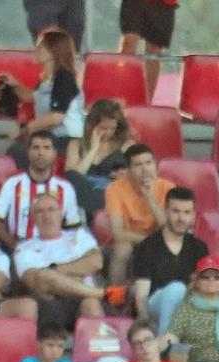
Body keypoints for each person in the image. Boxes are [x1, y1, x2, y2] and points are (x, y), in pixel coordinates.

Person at [14, 191, 109, 324]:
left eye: (51, 209)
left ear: (61, 213)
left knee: (91, 304)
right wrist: (76, 273)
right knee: (44, 276)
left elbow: (95, 262)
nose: (46, 216)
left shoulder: (80, 236)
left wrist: (54, 271)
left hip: (85, 299)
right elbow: (34, 281)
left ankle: (100, 344)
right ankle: (103, 294)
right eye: (40, 211)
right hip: (50, 304)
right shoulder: (24, 248)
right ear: (32, 218)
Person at [131, 187, 207, 337]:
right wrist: (144, 318)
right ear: (166, 212)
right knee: (176, 289)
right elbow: (142, 294)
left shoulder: (199, 247)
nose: (181, 218)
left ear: (193, 215)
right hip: (155, 305)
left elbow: (203, 287)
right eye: (176, 211)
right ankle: (165, 346)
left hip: (188, 306)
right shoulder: (148, 246)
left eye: (186, 213)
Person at [0, 28, 82, 159]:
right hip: (49, 139)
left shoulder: (64, 78)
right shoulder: (47, 79)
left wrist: (24, 130)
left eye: (40, 47)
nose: (36, 50)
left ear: (53, 52)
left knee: (17, 152)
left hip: (66, 141)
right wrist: (15, 84)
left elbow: (56, 116)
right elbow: (32, 97)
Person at [0, 129, 80, 250]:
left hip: (54, 250)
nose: (41, 152)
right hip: (18, 247)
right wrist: (16, 246)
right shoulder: (11, 183)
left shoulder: (66, 188)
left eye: (46, 148)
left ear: (55, 153)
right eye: (36, 147)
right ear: (28, 152)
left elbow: (73, 228)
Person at [105, 144, 174, 286]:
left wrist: (149, 197)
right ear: (128, 171)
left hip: (161, 241)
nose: (145, 170)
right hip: (132, 241)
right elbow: (118, 233)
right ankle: (115, 299)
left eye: (149, 163)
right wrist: (149, 241)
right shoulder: (114, 188)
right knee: (122, 248)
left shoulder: (168, 187)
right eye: (138, 165)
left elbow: (170, 229)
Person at [66, 99, 135, 217]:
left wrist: (126, 176)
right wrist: (93, 149)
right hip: (84, 192)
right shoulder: (76, 144)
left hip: (112, 192)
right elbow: (73, 176)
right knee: (73, 180)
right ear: (92, 125)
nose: (107, 133)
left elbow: (139, 174)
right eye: (103, 128)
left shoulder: (126, 145)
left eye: (112, 129)